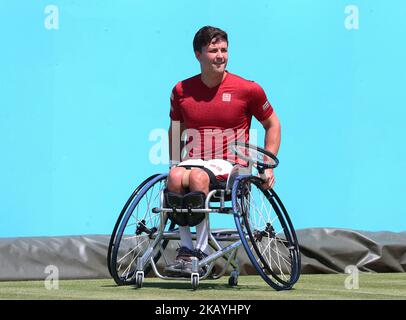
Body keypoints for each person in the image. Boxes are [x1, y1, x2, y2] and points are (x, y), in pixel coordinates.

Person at [165, 26, 281, 276]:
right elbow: (176, 129)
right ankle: (186, 249)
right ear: (198, 54)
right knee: (174, 177)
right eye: (213, 50)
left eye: (224, 50)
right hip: (194, 160)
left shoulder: (248, 89)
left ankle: (201, 248)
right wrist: (174, 161)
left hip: (231, 165)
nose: (220, 55)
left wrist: (267, 165)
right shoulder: (181, 91)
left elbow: (273, 124)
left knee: (197, 177)